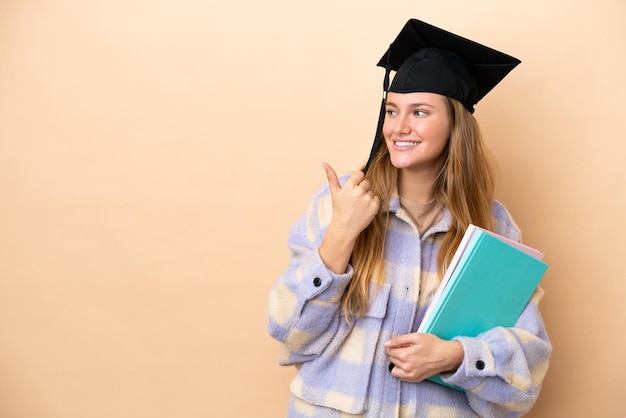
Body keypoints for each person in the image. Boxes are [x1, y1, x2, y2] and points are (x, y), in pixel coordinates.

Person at [267, 18, 551, 417]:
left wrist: (454, 356)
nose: (399, 127)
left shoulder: (492, 226)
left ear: (456, 124)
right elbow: (289, 334)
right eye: (392, 110)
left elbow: (526, 374)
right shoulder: (341, 202)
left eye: (419, 112)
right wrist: (341, 234)